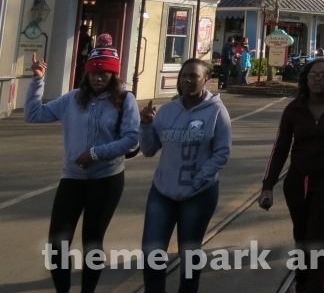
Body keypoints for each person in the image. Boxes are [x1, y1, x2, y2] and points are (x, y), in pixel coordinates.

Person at [26, 38, 140, 293]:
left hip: (107, 179)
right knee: (57, 243)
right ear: (86, 73)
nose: (98, 78)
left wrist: (96, 153)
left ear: (113, 74)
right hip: (73, 178)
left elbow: (131, 140)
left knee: (92, 241)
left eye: (104, 72)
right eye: (93, 72)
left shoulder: (125, 100)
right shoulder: (72, 99)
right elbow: (33, 114)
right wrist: (37, 80)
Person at [260, 58, 324, 293]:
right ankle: (302, 286)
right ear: (306, 78)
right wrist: (268, 185)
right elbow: (280, 148)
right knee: (302, 239)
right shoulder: (293, 109)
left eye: (323, 75)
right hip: (296, 185)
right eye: (313, 75)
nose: (317, 79)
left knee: (318, 244)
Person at [140, 58, 232, 293]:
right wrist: (146, 125)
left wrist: (198, 180)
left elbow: (222, 153)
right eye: (184, 76)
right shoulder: (167, 111)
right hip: (162, 191)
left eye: (194, 76)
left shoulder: (216, 111)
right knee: (152, 251)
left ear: (206, 80)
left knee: (189, 254)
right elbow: (149, 150)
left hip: (199, 194)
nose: (188, 80)